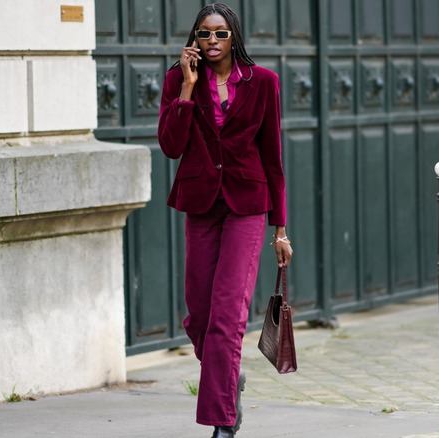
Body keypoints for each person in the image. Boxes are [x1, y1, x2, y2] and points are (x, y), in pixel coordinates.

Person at [157, 3, 293, 437]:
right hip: (201, 202)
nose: (211, 41)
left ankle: (222, 422)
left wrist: (280, 229)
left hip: (247, 206)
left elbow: (273, 157)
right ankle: (229, 377)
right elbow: (171, 147)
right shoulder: (179, 80)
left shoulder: (263, 82)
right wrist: (186, 91)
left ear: (234, 36)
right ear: (194, 40)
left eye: (220, 34)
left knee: (227, 316)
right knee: (198, 317)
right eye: (203, 34)